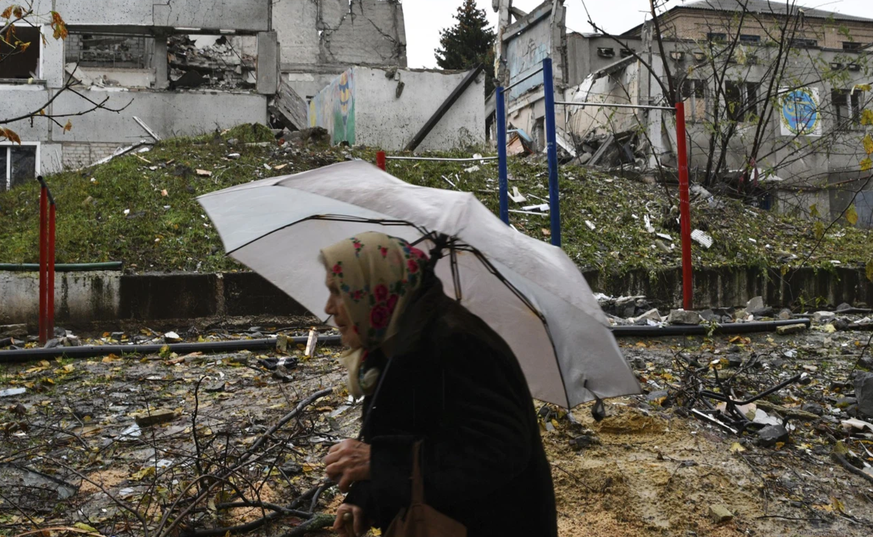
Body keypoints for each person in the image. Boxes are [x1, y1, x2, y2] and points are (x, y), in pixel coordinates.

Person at [320, 231, 558, 537]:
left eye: (338, 291)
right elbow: (409, 434)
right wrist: (365, 499)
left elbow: (499, 451)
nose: (329, 307)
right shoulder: (393, 345)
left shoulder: (457, 344)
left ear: (371, 289)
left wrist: (378, 462)